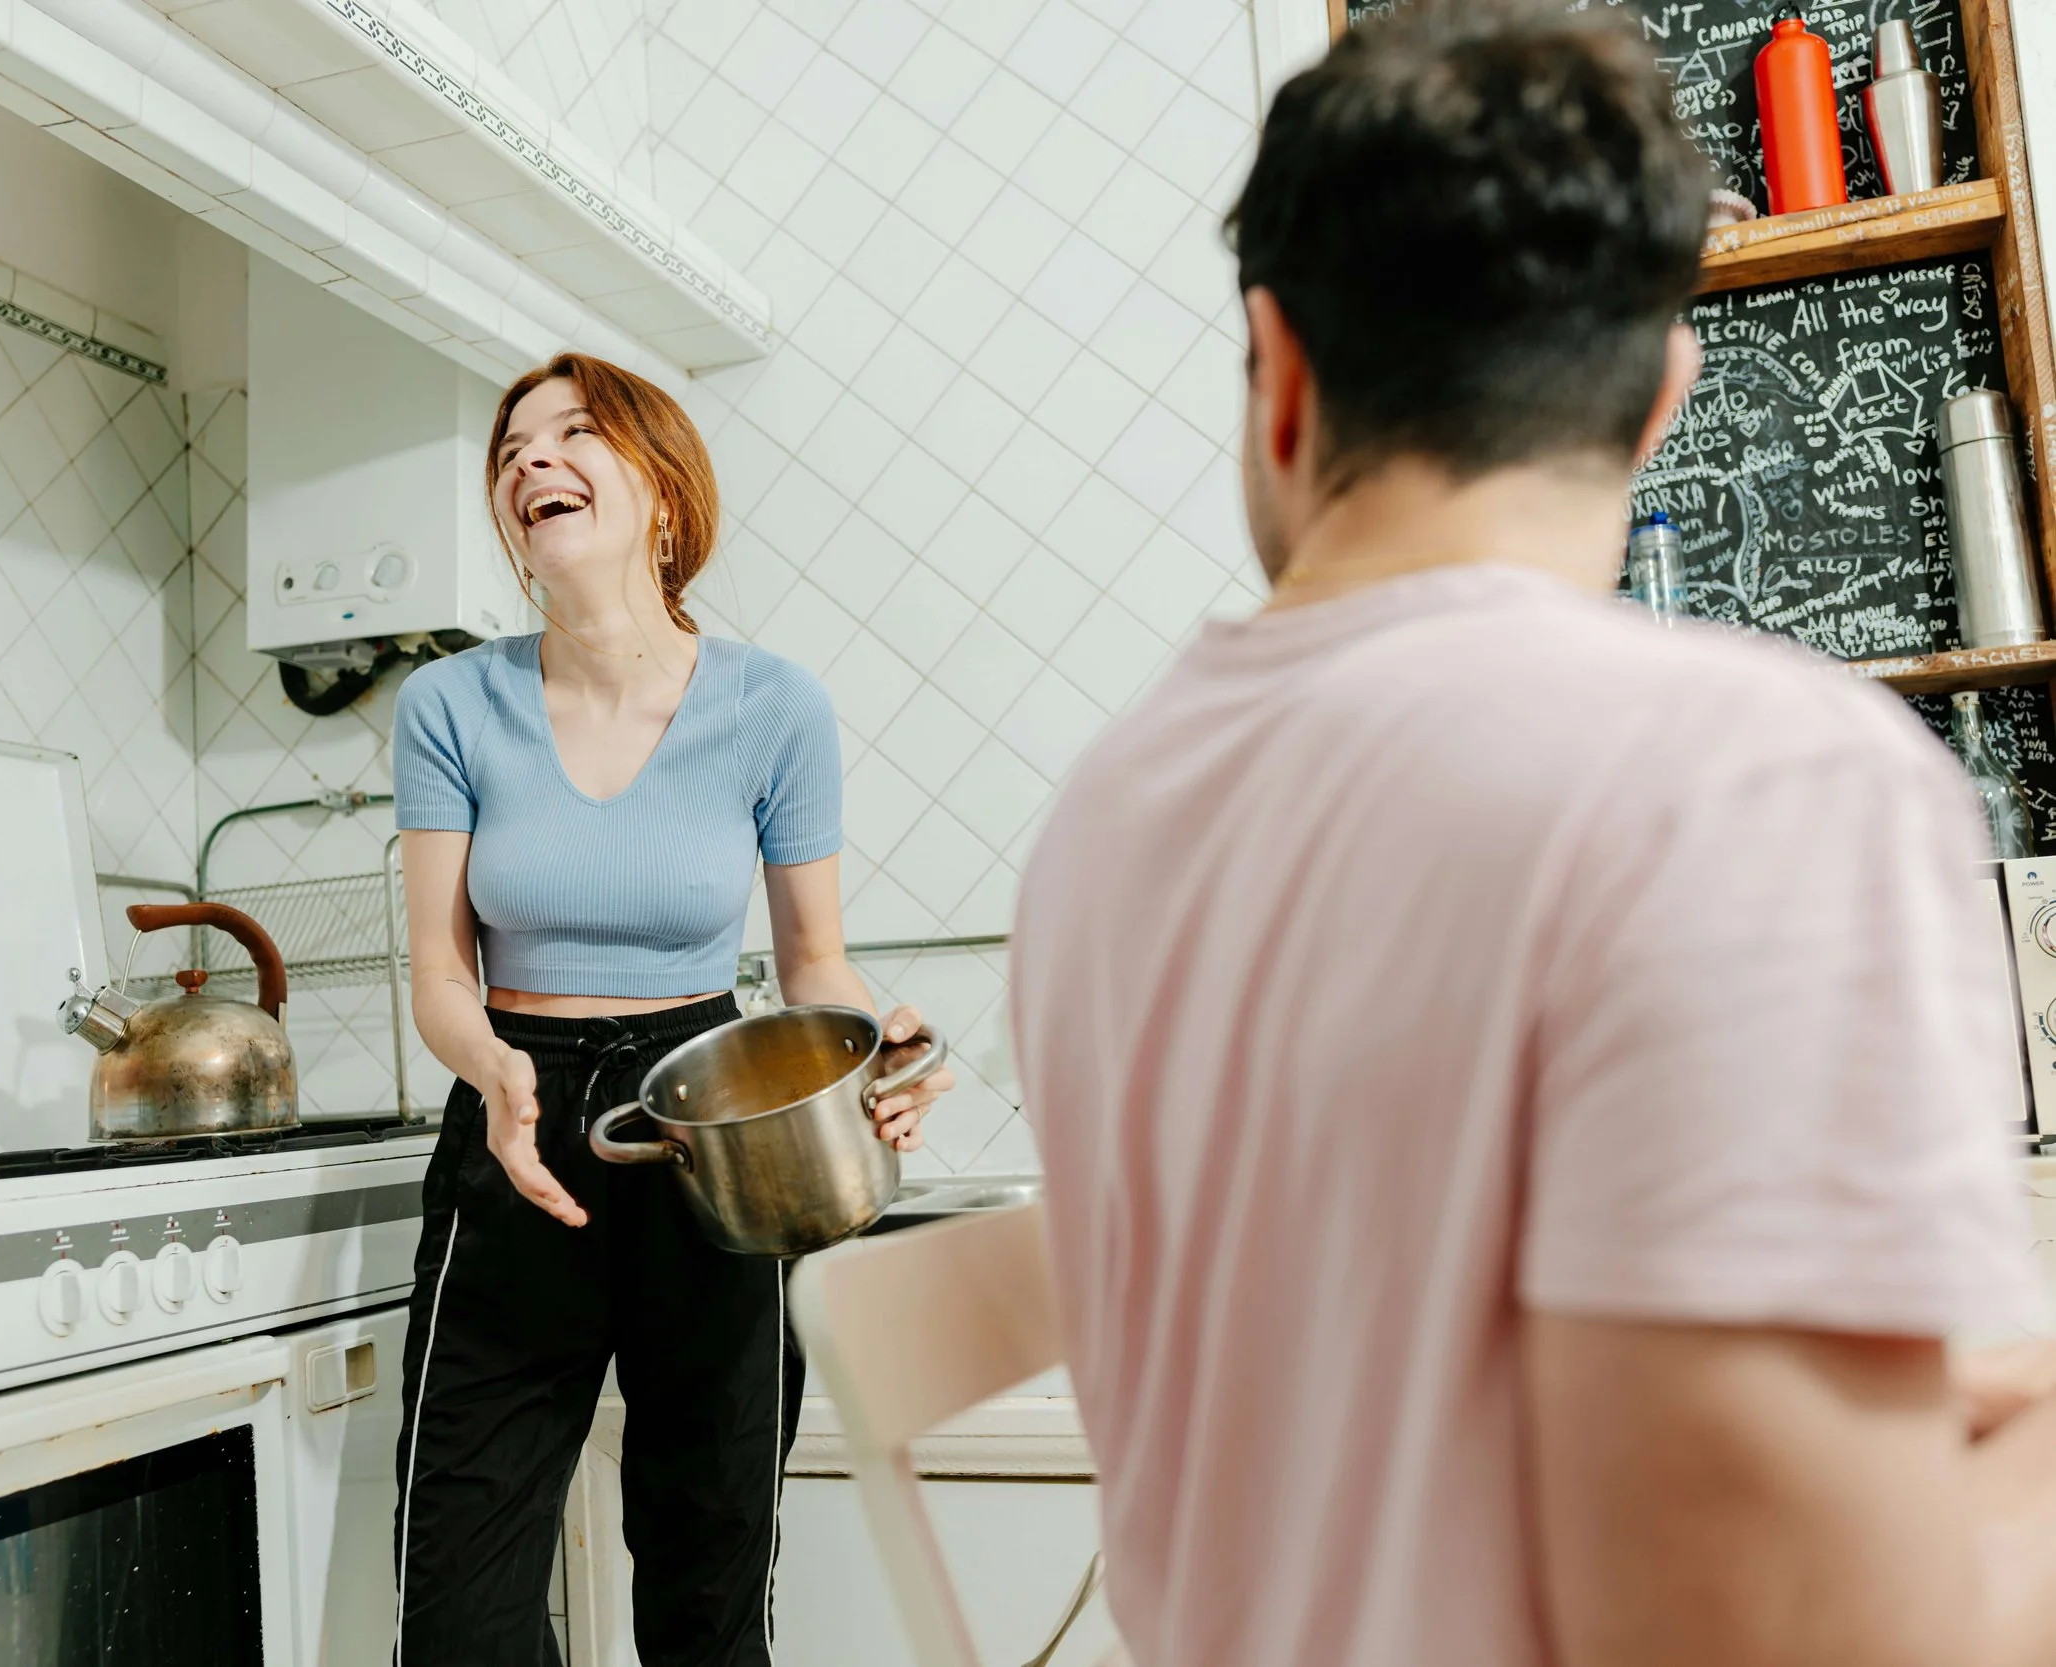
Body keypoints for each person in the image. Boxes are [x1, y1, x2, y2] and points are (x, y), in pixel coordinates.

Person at [1010, 4, 2056, 1665]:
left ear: (1279, 373)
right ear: (1661, 398)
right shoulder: (1757, 778)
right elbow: (1794, 1639)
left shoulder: (1107, 815)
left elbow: (1387, 1407)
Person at [388, 351, 953, 1666]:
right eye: (513, 448)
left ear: (663, 493)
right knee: (456, 1614)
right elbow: (436, 971)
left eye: (574, 433)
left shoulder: (773, 706)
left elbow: (815, 960)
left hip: (717, 1129)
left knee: (707, 1596)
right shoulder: (450, 705)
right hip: (512, 1136)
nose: (532, 460)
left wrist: (878, 1051)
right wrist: (494, 1069)